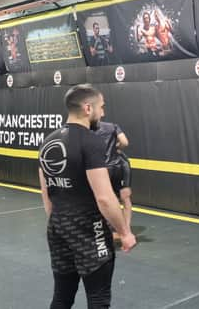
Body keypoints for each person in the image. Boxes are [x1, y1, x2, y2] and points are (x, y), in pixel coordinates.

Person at [38, 84, 136, 308]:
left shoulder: (48, 141)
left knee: (62, 296)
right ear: (87, 108)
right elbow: (104, 198)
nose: (103, 113)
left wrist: (58, 222)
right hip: (89, 228)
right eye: (101, 107)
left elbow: (46, 192)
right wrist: (124, 232)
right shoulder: (91, 141)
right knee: (98, 299)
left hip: (57, 227)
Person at [93, 120, 133, 235]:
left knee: (102, 200)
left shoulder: (87, 130)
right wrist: (116, 148)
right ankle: (126, 230)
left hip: (102, 169)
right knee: (125, 198)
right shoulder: (112, 126)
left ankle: (104, 231)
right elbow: (124, 142)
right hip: (120, 167)